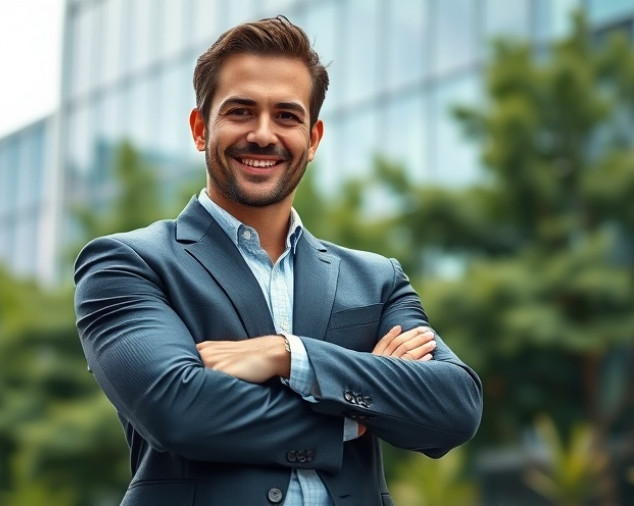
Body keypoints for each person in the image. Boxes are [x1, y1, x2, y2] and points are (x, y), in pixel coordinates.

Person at [73, 15, 482, 506]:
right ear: (201, 128)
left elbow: (453, 406)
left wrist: (289, 355)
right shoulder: (127, 264)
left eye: (287, 116)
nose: (263, 134)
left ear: (313, 139)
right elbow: (179, 412)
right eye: (241, 111)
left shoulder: (376, 280)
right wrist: (356, 409)